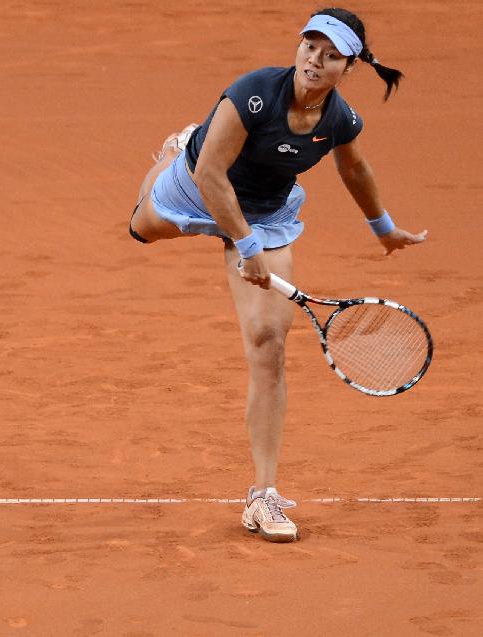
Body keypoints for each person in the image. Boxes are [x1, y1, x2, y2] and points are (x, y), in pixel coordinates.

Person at [128, 8, 427, 542]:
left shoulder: (339, 120)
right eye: (310, 46)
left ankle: (262, 496)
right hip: (197, 186)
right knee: (143, 228)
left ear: (348, 66)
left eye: (331, 54)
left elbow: (354, 167)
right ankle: (176, 146)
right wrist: (244, 247)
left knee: (269, 343)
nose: (316, 59)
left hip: (268, 212)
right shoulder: (253, 95)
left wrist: (383, 227)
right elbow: (213, 175)